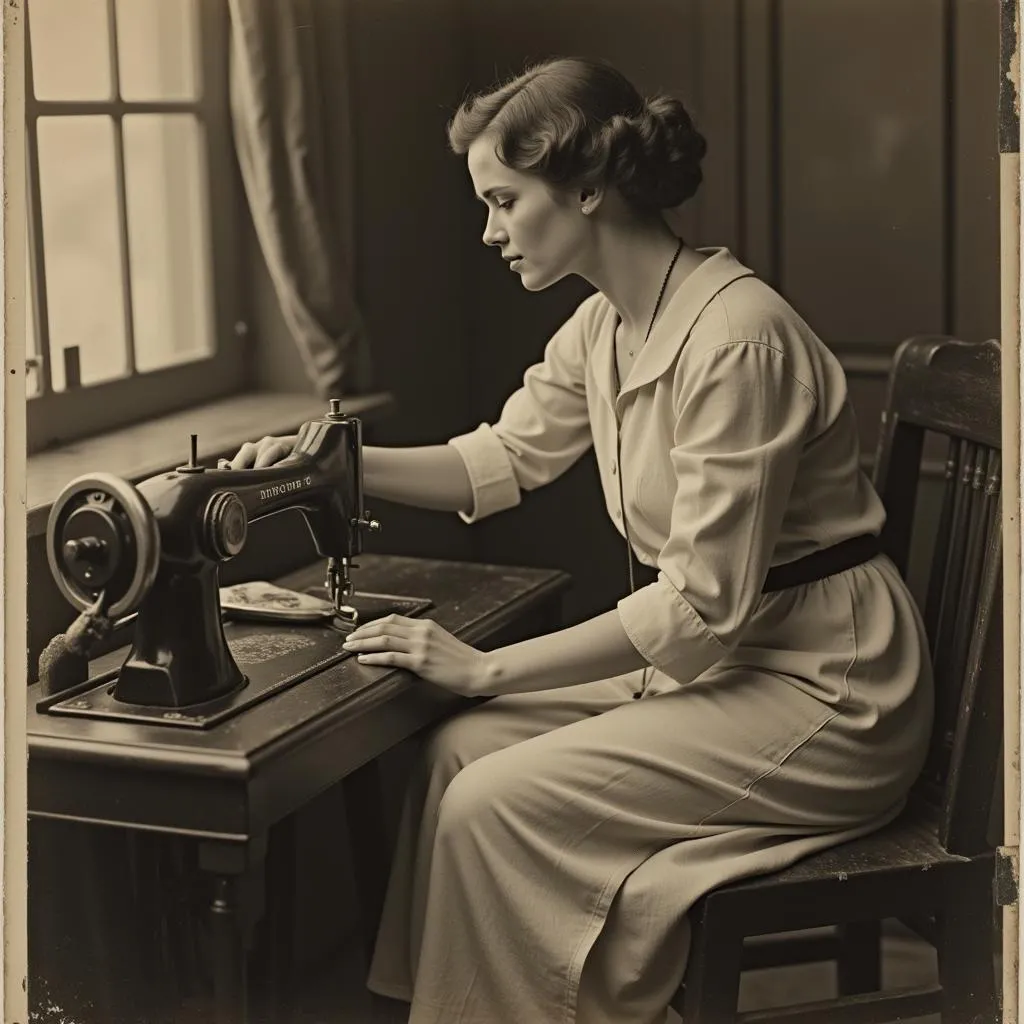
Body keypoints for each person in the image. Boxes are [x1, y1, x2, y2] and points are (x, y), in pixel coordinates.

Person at [228, 56, 933, 1024]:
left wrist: (486, 667)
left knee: (490, 793)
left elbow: (699, 604)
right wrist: (336, 465)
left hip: (826, 688)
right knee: (456, 757)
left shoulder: (737, 340)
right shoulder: (604, 324)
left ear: (591, 187)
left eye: (504, 200)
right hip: (732, 660)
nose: (488, 230)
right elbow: (501, 459)